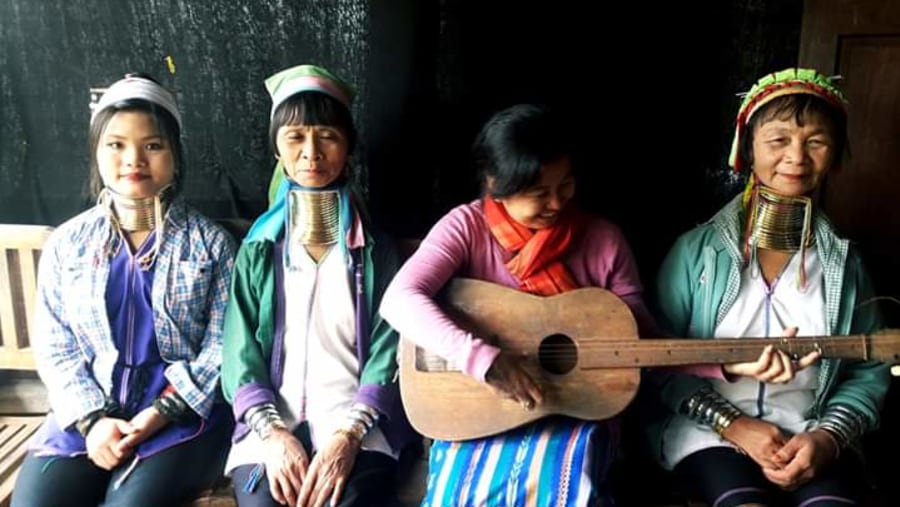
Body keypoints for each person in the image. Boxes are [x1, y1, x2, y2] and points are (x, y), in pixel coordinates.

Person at [380, 103, 658, 506]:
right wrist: (486, 362)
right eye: (539, 193)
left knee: (559, 487)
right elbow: (400, 300)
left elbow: (641, 339)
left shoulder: (604, 241)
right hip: (474, 410)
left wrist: (724, 364)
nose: (558, 203)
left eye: (565, 185)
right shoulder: (466, 226)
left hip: (577, 415)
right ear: (496, 183)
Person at [646, 68, 890, 506]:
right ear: (746, 152)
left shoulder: (844, 265)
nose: (797, 156)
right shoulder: (695, 254)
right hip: (708, 434)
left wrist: (828, 436)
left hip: (809, 430)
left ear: (834, 155)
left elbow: (869, 370)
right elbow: (654, 360)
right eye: (778, 140)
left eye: (815, 141)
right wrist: (733, 424)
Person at [11, 73, 236, 507]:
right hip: (86, 415)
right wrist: (93, 421)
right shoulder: (69, 244)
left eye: (152, 145)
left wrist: (158, 414)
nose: (134, 159)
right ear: (96, 152)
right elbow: (56, 346)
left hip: (180, 418)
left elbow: (221, 349)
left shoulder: (209, 245)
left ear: (175, 154)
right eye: (116, 144)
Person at [221, 64, 415, 507]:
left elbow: (390, 347)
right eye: (295, 137)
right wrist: (271, 434)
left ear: (348, 146)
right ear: (277, 149)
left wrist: (349, 435)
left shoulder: (373, 250)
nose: (311, 152)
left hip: (359, 424)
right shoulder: (258, 249)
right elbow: (238, 351)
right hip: (269, 425)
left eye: (327, 135)